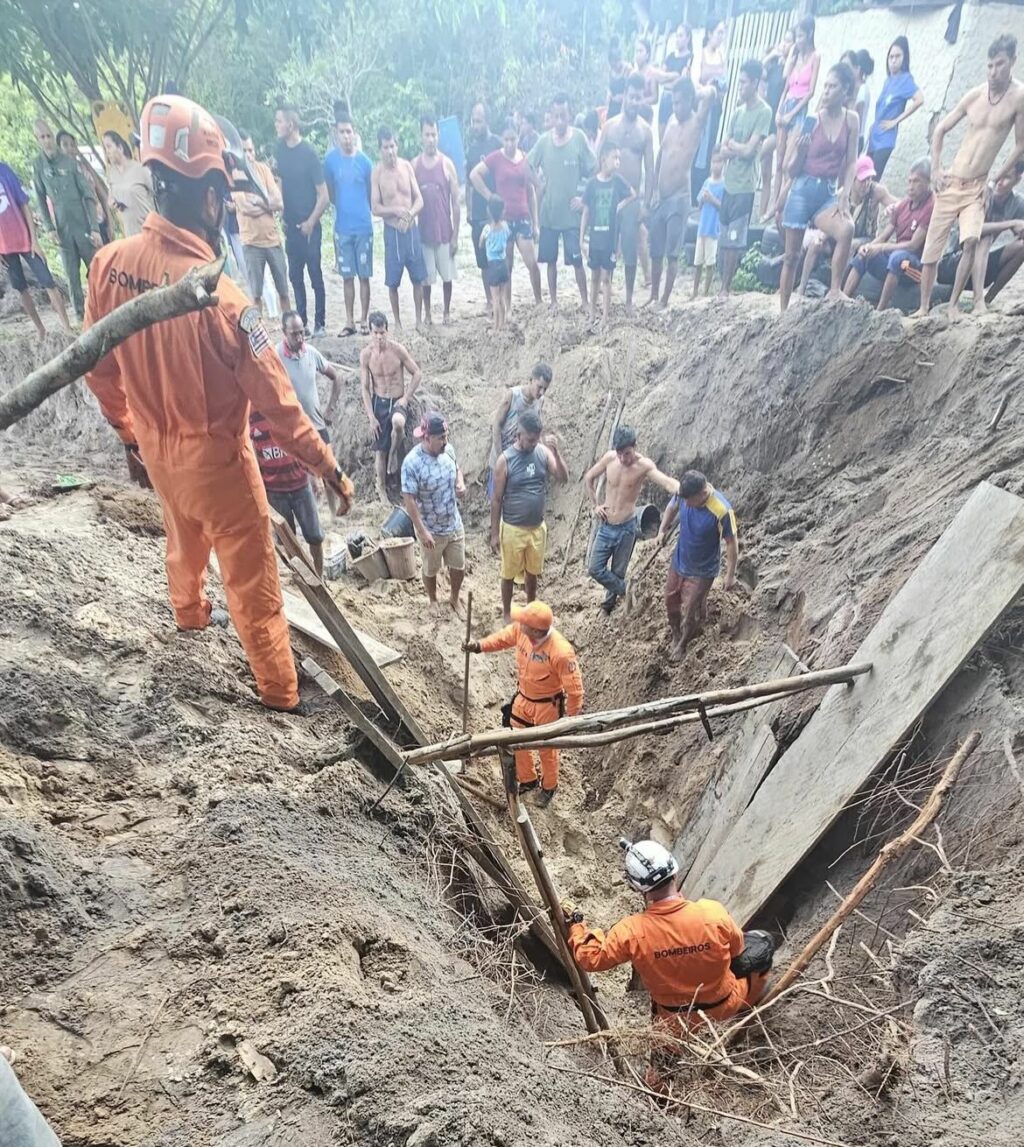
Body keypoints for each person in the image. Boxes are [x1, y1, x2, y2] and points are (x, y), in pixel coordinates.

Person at [84, 94, 353, 714]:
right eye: (224, 198)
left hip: (155, 447)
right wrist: (328, 467)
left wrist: (129, 434)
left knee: (182, 537)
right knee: (254, 583)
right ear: (209, 198)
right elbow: (282, 408)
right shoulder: (227, 303)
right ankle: (279, 694)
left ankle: (188, 616)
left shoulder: (107, 267)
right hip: (218, 462)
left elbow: (99, 368)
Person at [567, 838, 774, 1085]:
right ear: (675, 872)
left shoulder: (632, 931)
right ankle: (756, 997)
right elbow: (738, 950)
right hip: (725, 1002)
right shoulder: (712, 913)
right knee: (761, 942)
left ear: (638, 889)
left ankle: (660, 1094)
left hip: (675, 1022)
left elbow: (591, 959)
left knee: (661, 1068)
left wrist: (577, 926)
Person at [915, 35, 1024, 319]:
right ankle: (924, 308)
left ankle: (953, 306)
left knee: (972, 241)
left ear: (1012, 61)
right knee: (932, 248)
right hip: (952, 180)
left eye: (999, 65)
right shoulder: (975, 95)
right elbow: (940, 130)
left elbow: (1021, 145)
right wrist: (936, 169)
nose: (993, 72)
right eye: (989, 66)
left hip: (978, 185)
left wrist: (994, 179)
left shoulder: (1019, 97)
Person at [463, 600, 583, 806]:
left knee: (547, 749)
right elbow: (502, 639)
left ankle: (549, 787)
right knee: (516, 740)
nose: (518, 623)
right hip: (523, 699)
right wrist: (479, 646)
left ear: (536, 630)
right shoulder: (521, 631)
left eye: (524, 622)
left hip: (547, 706)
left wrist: (570, 720)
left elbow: (575, 690)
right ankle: (528, 779)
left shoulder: (561, 652)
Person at [779, 63, 860, 311]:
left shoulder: (852, 120)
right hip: (802, 189)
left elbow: (851, 161)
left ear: (845, 91)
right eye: (824, 85)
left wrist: (845, 191)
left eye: (832, 86)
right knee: (791, 256)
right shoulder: (812, 121)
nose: (825, 91)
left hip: (826, 192)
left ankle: (835, 290)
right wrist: (801, 153)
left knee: (846, 229)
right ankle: (783, 310)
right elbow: (790, 169)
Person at [585, 425, 678, 614]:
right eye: (620, 454)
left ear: (635, 446)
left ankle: (607, 606)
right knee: (594, 568)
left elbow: (666, 482)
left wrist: (682, 489)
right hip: (606, 525)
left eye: (627, 453)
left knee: (617, 571)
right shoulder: (610, 458)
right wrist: (595, 505)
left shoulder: (643, 466)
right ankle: (626, 590)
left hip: (627, 528)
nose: (623, 458)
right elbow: (589, 478)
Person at [489, 410, 568, 623]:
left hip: (536, 528)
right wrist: (494, 533)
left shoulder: (542, 453)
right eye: (530, 440)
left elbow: (563, 477)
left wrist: (556, 453)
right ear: (519, 435)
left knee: (533, 573)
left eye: (536, 439)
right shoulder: (505, 460)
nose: (533, 443)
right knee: (508, 573)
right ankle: (507, 613)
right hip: (513, 528)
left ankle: (531, 608)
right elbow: (496, 500)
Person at [656, 470, 737, 662]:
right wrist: (662, 530)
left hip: (703, 570)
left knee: (689, 610)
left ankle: (684, 643)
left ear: (702, 494)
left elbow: (731, 542)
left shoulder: (722, 510)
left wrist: (730, 574)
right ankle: (676, 633)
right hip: (680, 560)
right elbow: (671, 508)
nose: (686, 504)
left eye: (689, 501)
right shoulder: (683, 494)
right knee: (670, 601)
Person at [646, 77, 712, 309]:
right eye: (673, 103)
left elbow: (711, 94)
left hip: (680, 196)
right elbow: (660, 155)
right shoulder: (671, 122)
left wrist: (699, 89)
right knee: (655, 251)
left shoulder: (696, 122)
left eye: (680, 102)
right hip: (661, 196)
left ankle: (664, 299)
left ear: (690, 101)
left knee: (672, 253)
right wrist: (653, 188)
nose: (676, 107)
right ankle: (654, 295)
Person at [528, 93, 595, 312]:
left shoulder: (579, 139)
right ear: (551, 116)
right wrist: (539, 183)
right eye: (556, 116)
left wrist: (585, 199)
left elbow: (594, 170)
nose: (559, 121)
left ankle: (585, 301)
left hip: (571, 214)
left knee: (577, 260)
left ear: (570, 115)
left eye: (563, 116)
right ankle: (554, 301)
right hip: (549, 213)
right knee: (550, 260)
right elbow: (527, 165)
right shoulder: (544, 141)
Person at [843, 157, 933, 310]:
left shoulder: (930, 205)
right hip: (895, 260)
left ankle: (880, 309)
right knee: (865, 253)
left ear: (927, 182)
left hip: (914, 268)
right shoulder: (904, 205)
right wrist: (870, 246)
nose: (911, 187)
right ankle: (843, 298)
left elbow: (913, 245)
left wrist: (882, 248)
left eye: (916, 182)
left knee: (898, 259)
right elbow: (885, 235)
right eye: (909, 181)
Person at [596, 74, 654, 312]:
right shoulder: (609, 127)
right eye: (631, 97)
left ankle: (629, 299)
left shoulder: (646, 131)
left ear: (642, 99)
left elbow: (650, 170)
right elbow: (597, 161)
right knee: (604, 248)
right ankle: (603, 295)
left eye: (638, 98)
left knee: (630, 251)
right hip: (609, 197)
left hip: (631, 200)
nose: (634, 101)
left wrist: (646, 204)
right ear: (624, 97)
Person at [277, 309, 344, 514]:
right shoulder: (276, 356)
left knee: (330, 471)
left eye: (302, 332)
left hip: (317, 424)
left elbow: (337, 377)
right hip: (294, 428)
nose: (299, 338)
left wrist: (330, 409)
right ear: (284, 332)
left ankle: (334, 516)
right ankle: (314, 518)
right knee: (307, 480)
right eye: (294, 334)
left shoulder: (311, 352)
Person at [32, 118, 99, 322]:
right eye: (42, 137)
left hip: (83, 226)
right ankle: (80, 317)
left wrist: (95, 227)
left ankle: (106, 306)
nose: (47, 141)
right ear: (38, 140)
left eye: (49, 136)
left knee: (97, 269)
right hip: (62, 230)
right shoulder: (38, 165)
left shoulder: (70, 163)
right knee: (72, 277)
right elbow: (40, 198)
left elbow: (88, 195)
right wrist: (49, 228)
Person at [471, 118, 543, 305]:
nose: (510, 144)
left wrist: (536, 223)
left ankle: (539, 301)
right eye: (506, 140)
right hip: (504, 220)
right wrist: (491, 197)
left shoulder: (526, 159)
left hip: (523, 217)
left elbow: (531, 192)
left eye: (513, 139)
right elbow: (474, 175)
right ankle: (507, 307)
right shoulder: (495, 158)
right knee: (506, 266)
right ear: (502, 140)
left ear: (518, 137)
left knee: (532, 263)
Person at [401, 412, 466, 614]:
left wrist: (460, 483)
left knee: (459, 567)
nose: (446, 441)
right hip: (430, 529)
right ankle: (432, 600)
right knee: (430, 569)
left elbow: (457, 468)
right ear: (427, 438)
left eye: (446, 436)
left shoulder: (449, 450)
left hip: (453, 523)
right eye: (441, 438)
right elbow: (408, 498)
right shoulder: (412, 463)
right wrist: (422, 531)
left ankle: (454, 598)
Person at [718, 59, 773, 295]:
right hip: (728, 183)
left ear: (754, 82)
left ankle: (726, 287)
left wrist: (735, 147)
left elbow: (751, 152)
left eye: (743, 82)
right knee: (723, 236)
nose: (739, 86)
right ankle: (721, 286)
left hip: (745, 186)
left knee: (733, 239)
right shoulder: (736, 113)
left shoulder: (764, 112)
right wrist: (738, 148)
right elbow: (722, 150)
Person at [0, 160, 73, 338]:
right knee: (20, 288)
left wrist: (35, 240)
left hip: (25, 239)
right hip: (4, 247)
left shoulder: (5, 171)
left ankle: (67, 326)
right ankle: (40, 328)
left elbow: (24, 203)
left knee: (48, 281)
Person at [249, 408, 325, 575]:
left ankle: (320, 577)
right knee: (288, 540)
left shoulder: (287, 409)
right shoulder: (251, 419)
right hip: (274, 491)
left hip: (300, 485)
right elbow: (252, 456)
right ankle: (301, 576)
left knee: (315, 537)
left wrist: (315, 477)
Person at [939, 159, 1024, 308]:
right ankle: (978, 301)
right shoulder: (980, 193)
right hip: (951, 265)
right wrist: (1010, 224)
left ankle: (988, 299)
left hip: (980, 269)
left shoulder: (1017, 203)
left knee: (1021, 246)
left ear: (1017, 180)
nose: (1000, 181)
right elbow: (973, 229)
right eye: (1000, 174)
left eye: (1007, 177)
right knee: (984, 237)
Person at [274, 103, 328, 336]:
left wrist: (311, 222)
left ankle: (320, 323)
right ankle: (303, 323)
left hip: (310, 227)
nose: (276, 126)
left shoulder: (309, 153)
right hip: (291, 227)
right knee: (295, 276)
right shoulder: (279, 150)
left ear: (291, 124)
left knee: (315, 274)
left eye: (279, 121)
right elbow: (279, 182)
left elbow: (324, 195)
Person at [360, 310, 422, 502]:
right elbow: (364, 387)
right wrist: (371, 417)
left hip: (397, 400)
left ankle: (394, 455)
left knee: (398, 422)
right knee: (380, 450)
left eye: (382, 332)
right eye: (375, 333)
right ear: (370, 332)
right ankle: (382, 491)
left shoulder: (397, 350)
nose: (379, 337)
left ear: (387, 331)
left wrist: (406, 398)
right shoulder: (366, 355)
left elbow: (417, 373)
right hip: (379, 401)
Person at [323, 106, 374, 335]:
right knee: (347, 277)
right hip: (342, 228)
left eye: (349, 132)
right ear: (336, 133)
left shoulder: (365, 162)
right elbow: (330, 193)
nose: (346, 136)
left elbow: (371, 194)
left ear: (355, 133)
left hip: (363, 227)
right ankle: (349, 320)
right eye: (342, 132)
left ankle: (364, 320)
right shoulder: (330, 162)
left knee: (364, 276)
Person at [372, 126, 428, 331]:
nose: (390, 151)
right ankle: (397, 322)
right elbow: (375, 207)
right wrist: (395, 211)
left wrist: (410, 213)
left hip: (411, 230)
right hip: (392, 233)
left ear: (397, 145)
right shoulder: (377, 173)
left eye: (393, 146)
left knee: (418, 278)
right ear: (380, 149)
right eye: (386, 147)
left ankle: (419, 320)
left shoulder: (406, 167)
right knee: (393, 282)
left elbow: (419, 199)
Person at [764, 17, 820, 219]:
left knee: (788, 163)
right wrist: (780, 111)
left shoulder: (815, 57)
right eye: (796, 36)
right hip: (785, 104)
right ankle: (773, 206)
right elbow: (785, 84)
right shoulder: (795, 57)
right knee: (778, 163)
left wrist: (791, 113)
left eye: (800, 36)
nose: (797, 40)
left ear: (810, 34)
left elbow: (811, 92)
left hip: (798, 110)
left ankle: (780, 207)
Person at [233, 133, 289, 318]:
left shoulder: (263, 170)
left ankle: (289, 329)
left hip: (273, 240)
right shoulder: (235, 175)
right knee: (256, 296)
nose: (248, 154)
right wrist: (267, 205)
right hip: (251, 243)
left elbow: (279, 202)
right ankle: (258, 338)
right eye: (244, 150)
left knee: (284, 292)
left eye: (251, 150)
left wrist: (261, 203)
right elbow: (245, 207)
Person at [579, 143, 635, 330]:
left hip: (610, 239)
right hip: (595, 238)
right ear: (604, 158)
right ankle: (592, 313)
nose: (617, 162)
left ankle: (604, 318)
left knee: (606, 278)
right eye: (614, 157)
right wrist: (581, 239)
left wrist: (623, 203)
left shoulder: (618, 181)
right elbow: (586, 211)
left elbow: (633, 194)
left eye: (619, 158)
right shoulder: (592, 184)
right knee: (594, 277)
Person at [414, 115, 461, 326]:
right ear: (421, 137)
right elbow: (411, 199)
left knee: (447, 276)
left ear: (438, 136)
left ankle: (447, 312)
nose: (431, 139)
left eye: (434, 134)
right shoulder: (414, 165)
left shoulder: (447, 164)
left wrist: (456, 235)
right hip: (424, 232)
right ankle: (428, 314)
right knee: (427, 279)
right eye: (427, 135)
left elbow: (456, 202)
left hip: (444, 230)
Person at [489, 362, 553, 498]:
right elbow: (496, 426)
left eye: (545, 389)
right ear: (531, 380)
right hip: (503, 455)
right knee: (497, 499)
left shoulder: (539, 402)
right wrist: (501, 457)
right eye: (539, 387)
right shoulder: (512, 396)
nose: (541, 392)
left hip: (521, 460)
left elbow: (536, 429)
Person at [867, 37, 923, 178]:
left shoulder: (906, 79)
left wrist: (895, 121)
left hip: (886, 139)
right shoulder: (888, 80)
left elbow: (919, 99)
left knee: (872, 180)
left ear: (904, 58)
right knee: (863, 177)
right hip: (874, 136)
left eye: (897, 56)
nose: (893, 60)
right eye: (891, 57)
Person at [465, 103, 502, 308]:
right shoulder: (471, 150)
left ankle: (501, 299)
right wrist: (469, 211)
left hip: (496, 212)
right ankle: (489, 300)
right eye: (473, 121)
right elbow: (469, 186)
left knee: (499, 258)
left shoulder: (497, 144)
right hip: (478, 213)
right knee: (483, 261)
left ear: (487, 121)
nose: (475, 125)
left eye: (478, 121)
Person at [758, 27, 796, 220]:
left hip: (777, 122)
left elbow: (784, 80)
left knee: (760, 153)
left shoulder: (790, 67)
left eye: (789, 41)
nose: (784, 44)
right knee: (765, 173)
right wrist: (771, 54)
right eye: (784, 40)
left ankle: (773, 210)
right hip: (765, 120)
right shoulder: (772, 65)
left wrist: (787, 56)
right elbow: (759, 71)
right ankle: (760, 214)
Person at [691, 21, 728, 203]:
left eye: (723, 33)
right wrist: (708, 87)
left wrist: (719, 86)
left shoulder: (721, 56)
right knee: (697, 147)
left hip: (715, 108)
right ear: (709, 33)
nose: (720, 37)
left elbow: (725, 83)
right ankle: (693, 192)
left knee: (708, 151)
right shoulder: (700, 55)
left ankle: (704, 191)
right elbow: (694, 82)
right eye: (718, 33)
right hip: (701, 107)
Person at [58, 129, 113, 244]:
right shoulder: (58, 175)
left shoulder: (84, 168)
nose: (69, 148)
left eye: (72, 145)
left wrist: (110, 224)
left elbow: (101, 194)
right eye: (65, 145)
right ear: (59, 148)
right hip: (80, 227)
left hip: (99, 222)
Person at [103, 130, 155, 238]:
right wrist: (112, 202)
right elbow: (110, 196)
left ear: (120, 148)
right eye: (105, 148)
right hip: (130, 233)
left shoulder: (141, 169)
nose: (107, 152)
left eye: (109, 147)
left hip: (148, 231)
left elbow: (158, 195)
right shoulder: (112, 173)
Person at [692, 148, 725, 297]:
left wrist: (711, 198)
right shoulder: (706, 182)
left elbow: (723, 207)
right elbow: (699, 205)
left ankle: (705, 292)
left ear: (723, 164)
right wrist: (703, 200)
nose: (716, 165)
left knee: (710, 263)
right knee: (697, 262)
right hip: (702, 228)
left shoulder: (724, 185)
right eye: (713, 162)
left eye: (719, 162)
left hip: (713, 229)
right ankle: (694, 291)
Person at [657, 24, 694, 143]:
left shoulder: (690, 57)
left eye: (681, 35)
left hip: (678, 100)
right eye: (676, 36)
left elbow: (682, 80)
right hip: (665, 98)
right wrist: (674, 75)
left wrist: (669, 77)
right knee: (662, 139)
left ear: (688, 38)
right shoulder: (670, 57)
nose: (677, 39)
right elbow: (660, 78)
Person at [479, 195, 511, 330]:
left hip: (492, 265)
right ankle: (503, 323)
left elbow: (480, 243)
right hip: (504, 264)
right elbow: (508, 237)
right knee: (503, 297)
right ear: (503, 211)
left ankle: (496, 327)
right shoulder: (505, 226)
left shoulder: (487, 228)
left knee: (495, 298)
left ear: (488, 211)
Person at [841, 49, 875, 154]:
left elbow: (856, 118)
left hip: (854, 138)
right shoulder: (851, 88)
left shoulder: (862, 90)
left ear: (858, 68)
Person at [607, 39, 631, 119]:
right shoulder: (611, 70)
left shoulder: (628, 69)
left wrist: (623, 97)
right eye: (612, 65)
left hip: (624, 106)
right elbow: (610, 87)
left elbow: (630, 90)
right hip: (612, 105)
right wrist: (609, 93)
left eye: (616, 64)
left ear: (620, 59)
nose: (615, 67)